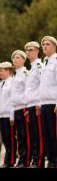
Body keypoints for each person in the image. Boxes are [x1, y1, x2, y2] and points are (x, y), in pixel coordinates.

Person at [24, 41, 45, 168]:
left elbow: (43, 84)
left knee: (39, 135)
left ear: (37, 51)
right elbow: (30, 89)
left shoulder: (39, 66)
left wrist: (39, 103)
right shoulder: (31, 67)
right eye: (27, 50)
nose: (28, 52)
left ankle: (40, 161)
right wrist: (28, 106)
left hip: (37, 105)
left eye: (31, 50)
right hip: (31, 105)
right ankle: (35, 159)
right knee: (33, 134)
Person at [0, 62, 17, 168]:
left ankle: (10, 161)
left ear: (8, 71)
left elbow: (13, 100)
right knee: (6, 140)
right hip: (2, 115)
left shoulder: (12, 82)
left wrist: (12, 116)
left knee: (11, 139)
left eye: (1, 70)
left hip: (9, 115)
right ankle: (8, 160)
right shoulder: (0, 84)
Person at [10, 50, 31, 168]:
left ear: (23, 60)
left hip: (23, 107)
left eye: (18, 57)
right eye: (14, 58)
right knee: (19, 136)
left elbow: (28, 91)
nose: (15, 60)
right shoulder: (15, 75)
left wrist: (28, 108)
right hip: (16, 108)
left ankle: (25, 160)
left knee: (25, 135)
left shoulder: (25, 73)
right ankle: (21, 159)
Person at [39, 36, 57, 168]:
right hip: (44, 103)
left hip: (53, 103)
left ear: (54, 46)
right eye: (43, 44)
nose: (44, 46)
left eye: (48, 44)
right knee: (45, 134)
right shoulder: (45, 63)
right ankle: (51, 160)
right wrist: (40, 103)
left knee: (54, 133)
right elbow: (43, 85)